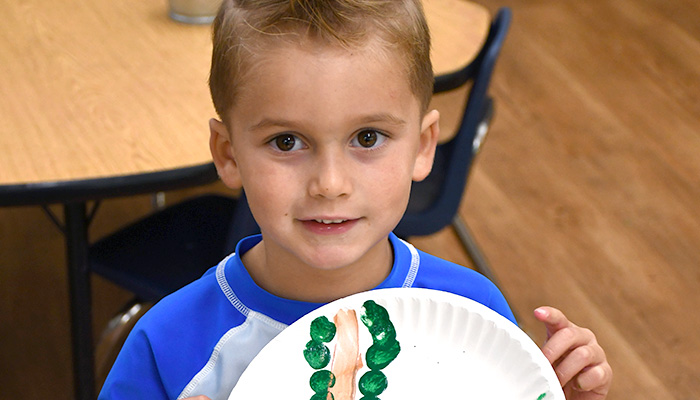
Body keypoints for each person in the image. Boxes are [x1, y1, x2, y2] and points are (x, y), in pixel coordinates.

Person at [99, 0, 612, 399]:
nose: (330, 183)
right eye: (286, 142)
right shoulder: (168, 347)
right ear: (228, 153)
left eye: (367, 138)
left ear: (423, 146)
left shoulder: (472, 314)